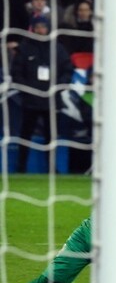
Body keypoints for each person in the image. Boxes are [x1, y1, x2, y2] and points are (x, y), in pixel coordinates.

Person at [11, 16, 74, 173]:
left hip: (51, 100)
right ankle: (21, 167)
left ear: (48, 28)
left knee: (51, 136)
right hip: (31, 100)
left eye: (43, 27)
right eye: (37, 27)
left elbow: (67, 71)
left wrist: (57, 88)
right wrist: (29, 90)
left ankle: (52, 168)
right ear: (33, 29)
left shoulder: (58, 49)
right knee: (25, 135)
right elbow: (16, 73)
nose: (40, 30)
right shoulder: (24, 48)